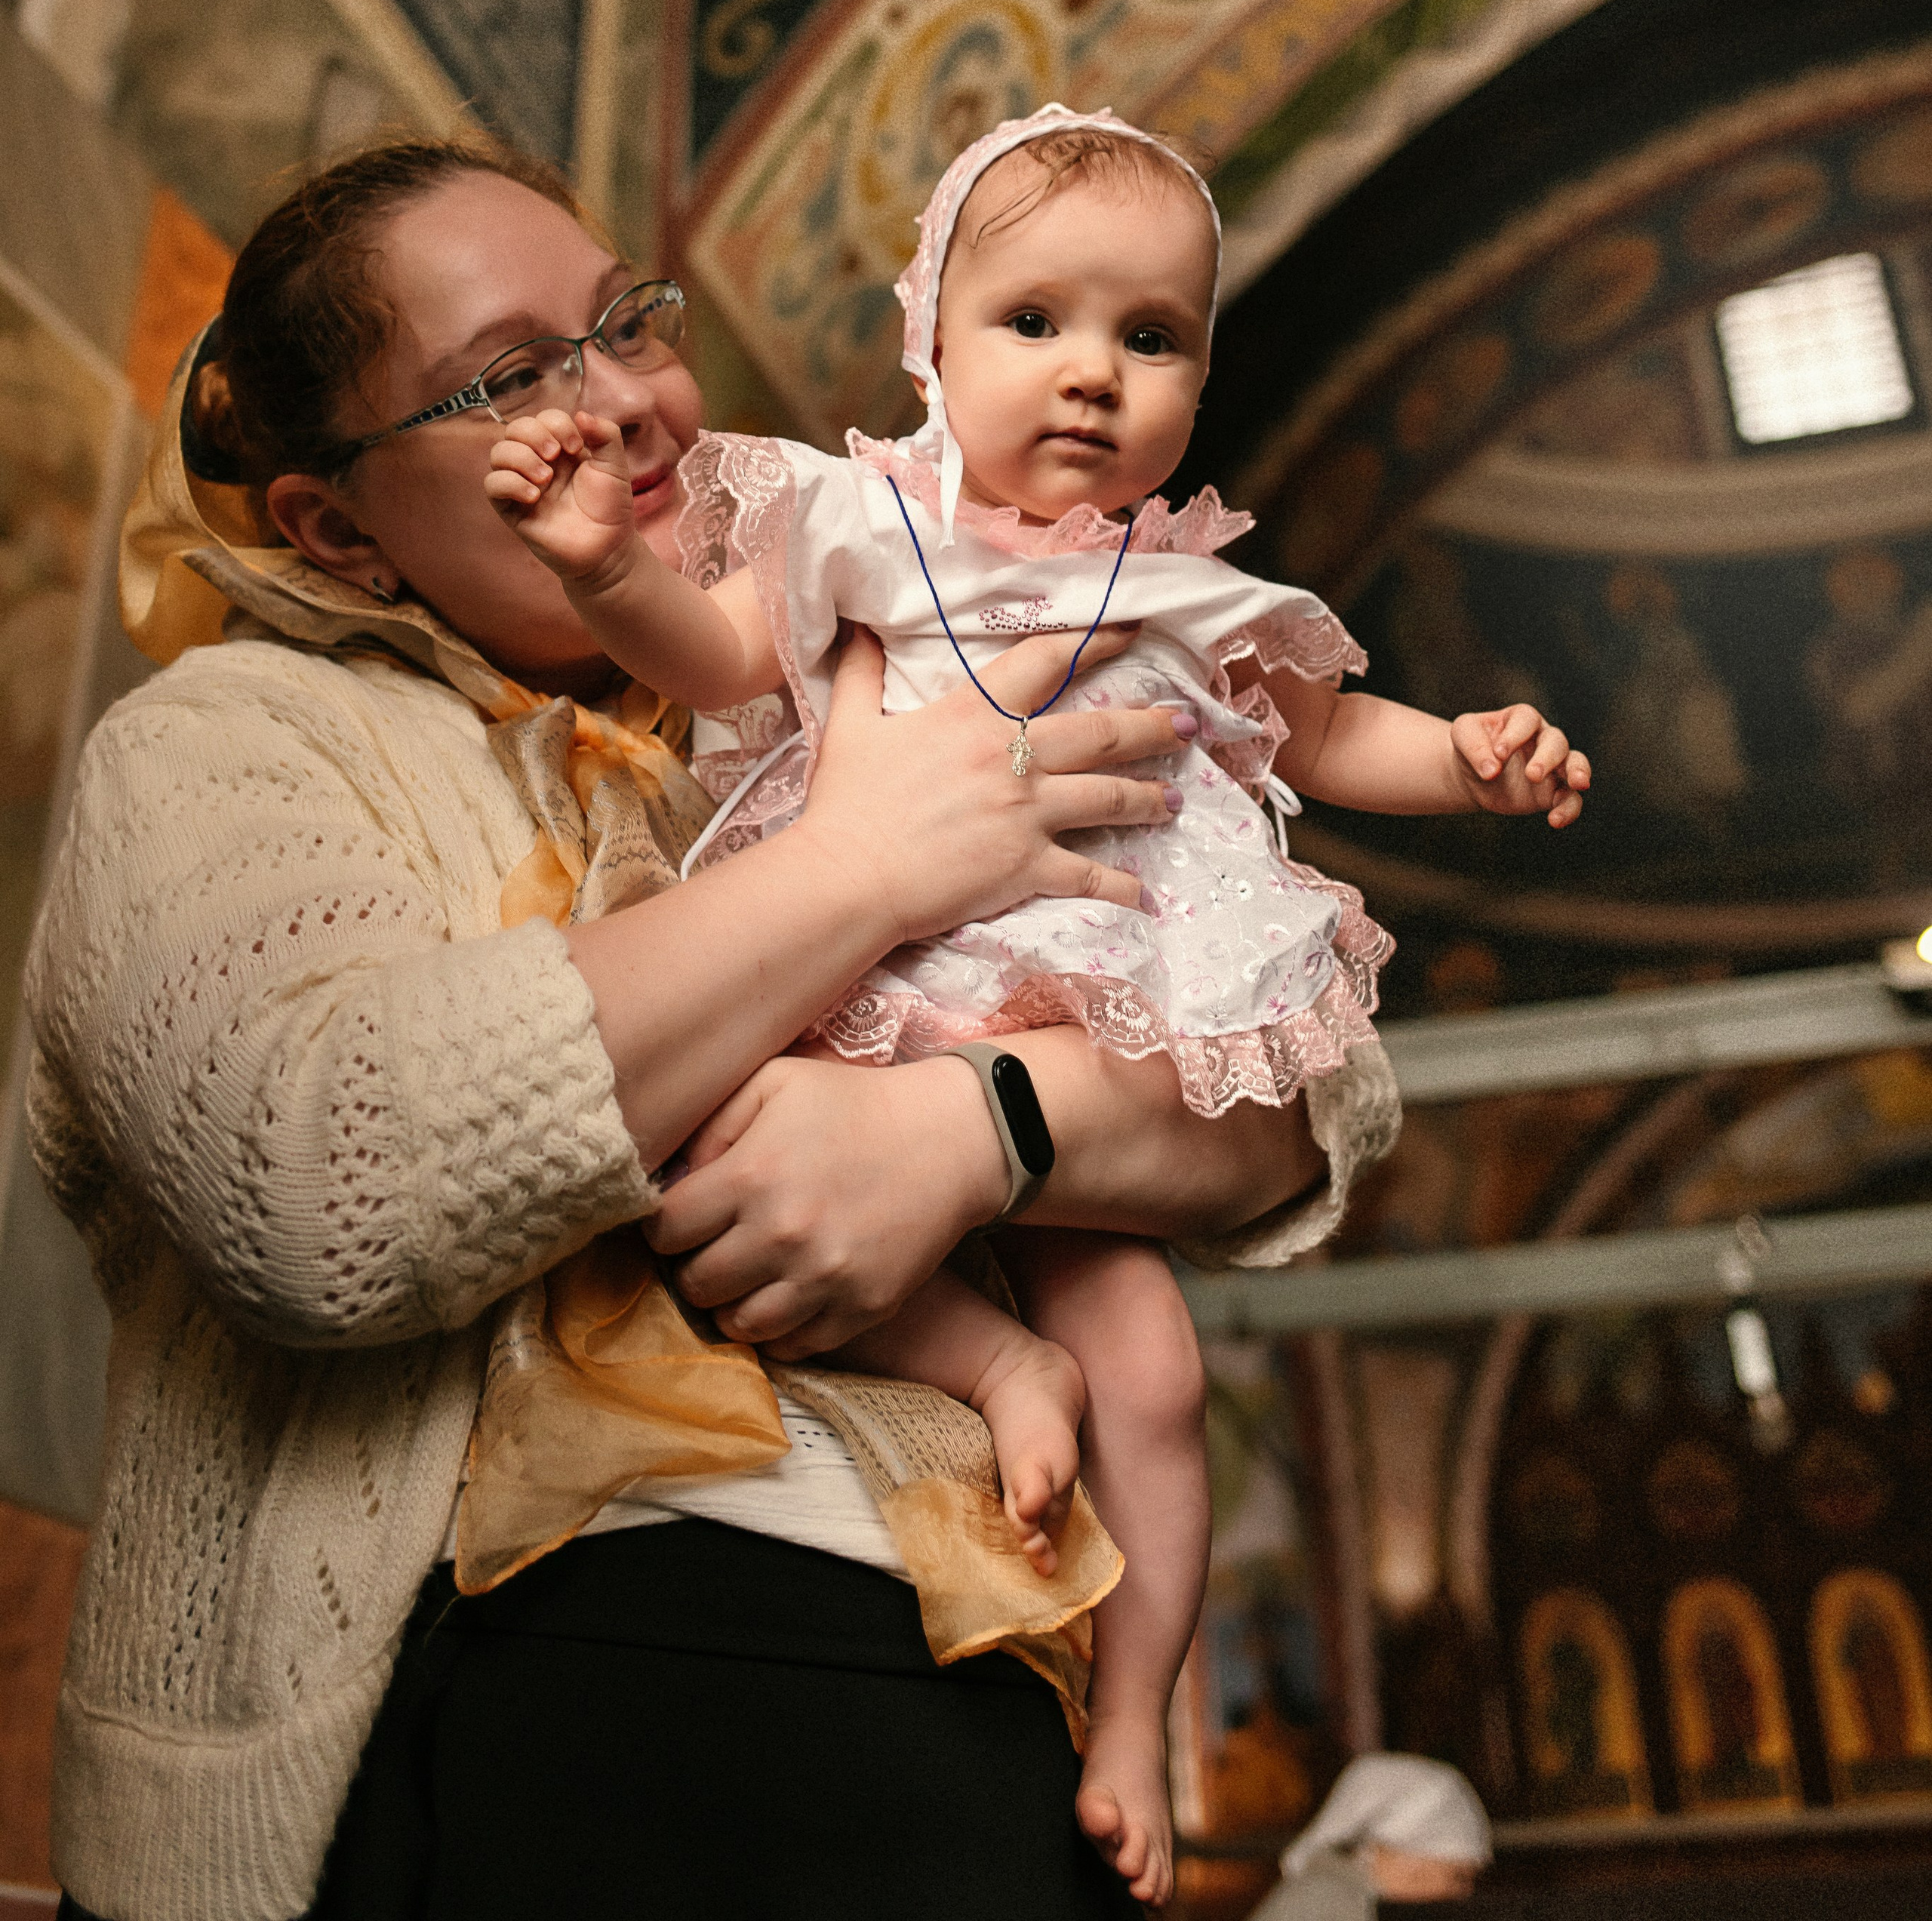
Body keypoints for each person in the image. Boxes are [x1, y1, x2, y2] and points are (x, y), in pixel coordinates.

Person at [26, 134, 1404, 1921]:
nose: (625, 402)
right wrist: (863, 865)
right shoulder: (220, 745)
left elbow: (1315, 1078)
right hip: (474, 1723)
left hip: (961, 1677)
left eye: (623, 320)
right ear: (335, 520)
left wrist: (982, 1122)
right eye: (512, 375)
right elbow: (322, 1180)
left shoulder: (871, 624)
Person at [482, 106, 1589, 1906]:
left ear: (1197, 377)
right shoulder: (853, 519)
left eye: (1147, 338)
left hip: (1071, 1023)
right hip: (858, 983)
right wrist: (610, 572)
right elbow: (720, 654)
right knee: (716, 1169)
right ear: (930, 329)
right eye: (1035, 321)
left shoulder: (1189, 590)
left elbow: (1323, 732)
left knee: (1149, 1373)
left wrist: (1467, 759)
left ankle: (1134, 1706)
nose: (1092, 372)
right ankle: (989, 1360)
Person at [1251, 1756, 1493, 1915]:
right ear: (1405, 1858)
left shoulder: (1347, 1896)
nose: (1463, 1893)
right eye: (1458, 1876)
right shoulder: (1329, 1903)